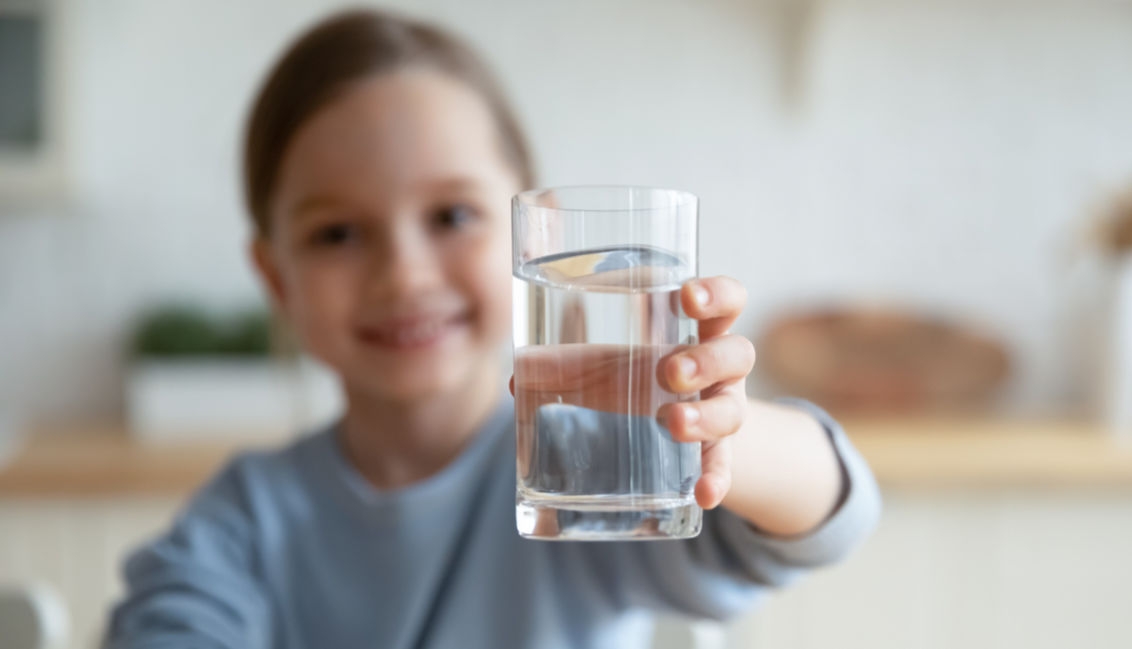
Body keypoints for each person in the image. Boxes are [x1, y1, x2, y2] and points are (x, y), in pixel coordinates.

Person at [104, 8, 881, 649]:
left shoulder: (589, 465)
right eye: (337, 233)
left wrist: (719, 434)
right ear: (276, 277)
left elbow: (833, 516)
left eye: (451, 216)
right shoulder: (245, 517)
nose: (404, 275)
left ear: (531, 235)